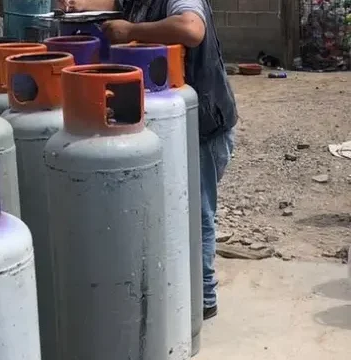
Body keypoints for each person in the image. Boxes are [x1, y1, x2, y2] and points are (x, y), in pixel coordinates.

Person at [59, 0, 237, 320]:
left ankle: (203, 298)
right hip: (170, 124)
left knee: (195, 212)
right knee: (168, 211)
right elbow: (111, 3)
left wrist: (131, 30)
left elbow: (191, 29)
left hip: (202, 125)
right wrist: (79, 4)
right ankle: (174, 294)